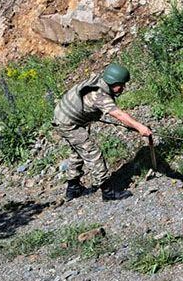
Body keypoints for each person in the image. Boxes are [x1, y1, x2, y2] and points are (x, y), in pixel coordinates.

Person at [52, 63, 152, 201]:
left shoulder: (99, 82)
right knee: (92, 152)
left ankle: (73, 187)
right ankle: (108, 191)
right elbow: (119, 114)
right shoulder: (99, 95)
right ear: (112, 82)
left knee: (78, 151)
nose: (123, 88)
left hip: (65, 117)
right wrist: (140, 127)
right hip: (68, 123)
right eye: (121, 85)